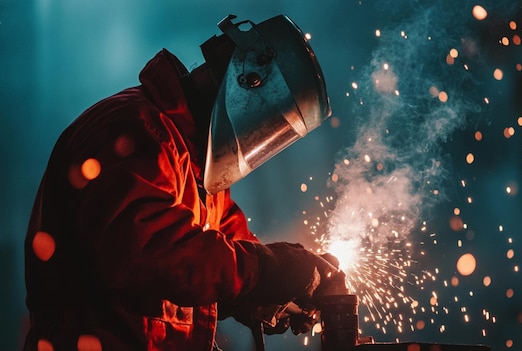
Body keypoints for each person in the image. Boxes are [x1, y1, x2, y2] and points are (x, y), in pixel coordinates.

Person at [23, 14, 341, 351]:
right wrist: (269, 270)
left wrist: (275, 292)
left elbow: (223, 254)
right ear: (249, 80)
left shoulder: (195, 165)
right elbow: (149, 253)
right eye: (269, 121)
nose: (261, 137)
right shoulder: (135, 132)